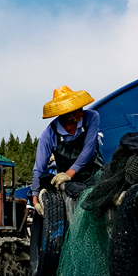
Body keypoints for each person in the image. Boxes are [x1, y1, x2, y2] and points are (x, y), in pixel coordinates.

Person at [32, 85, 104, 213]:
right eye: (77, 110)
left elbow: (88, 150)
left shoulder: (92, 117)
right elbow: (39, 168)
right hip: (66, 182)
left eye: (81, 108)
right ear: (66, 115)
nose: (81, 112)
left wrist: (69, 173)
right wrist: (35, 198)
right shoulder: (48, 135)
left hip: (92, 173)